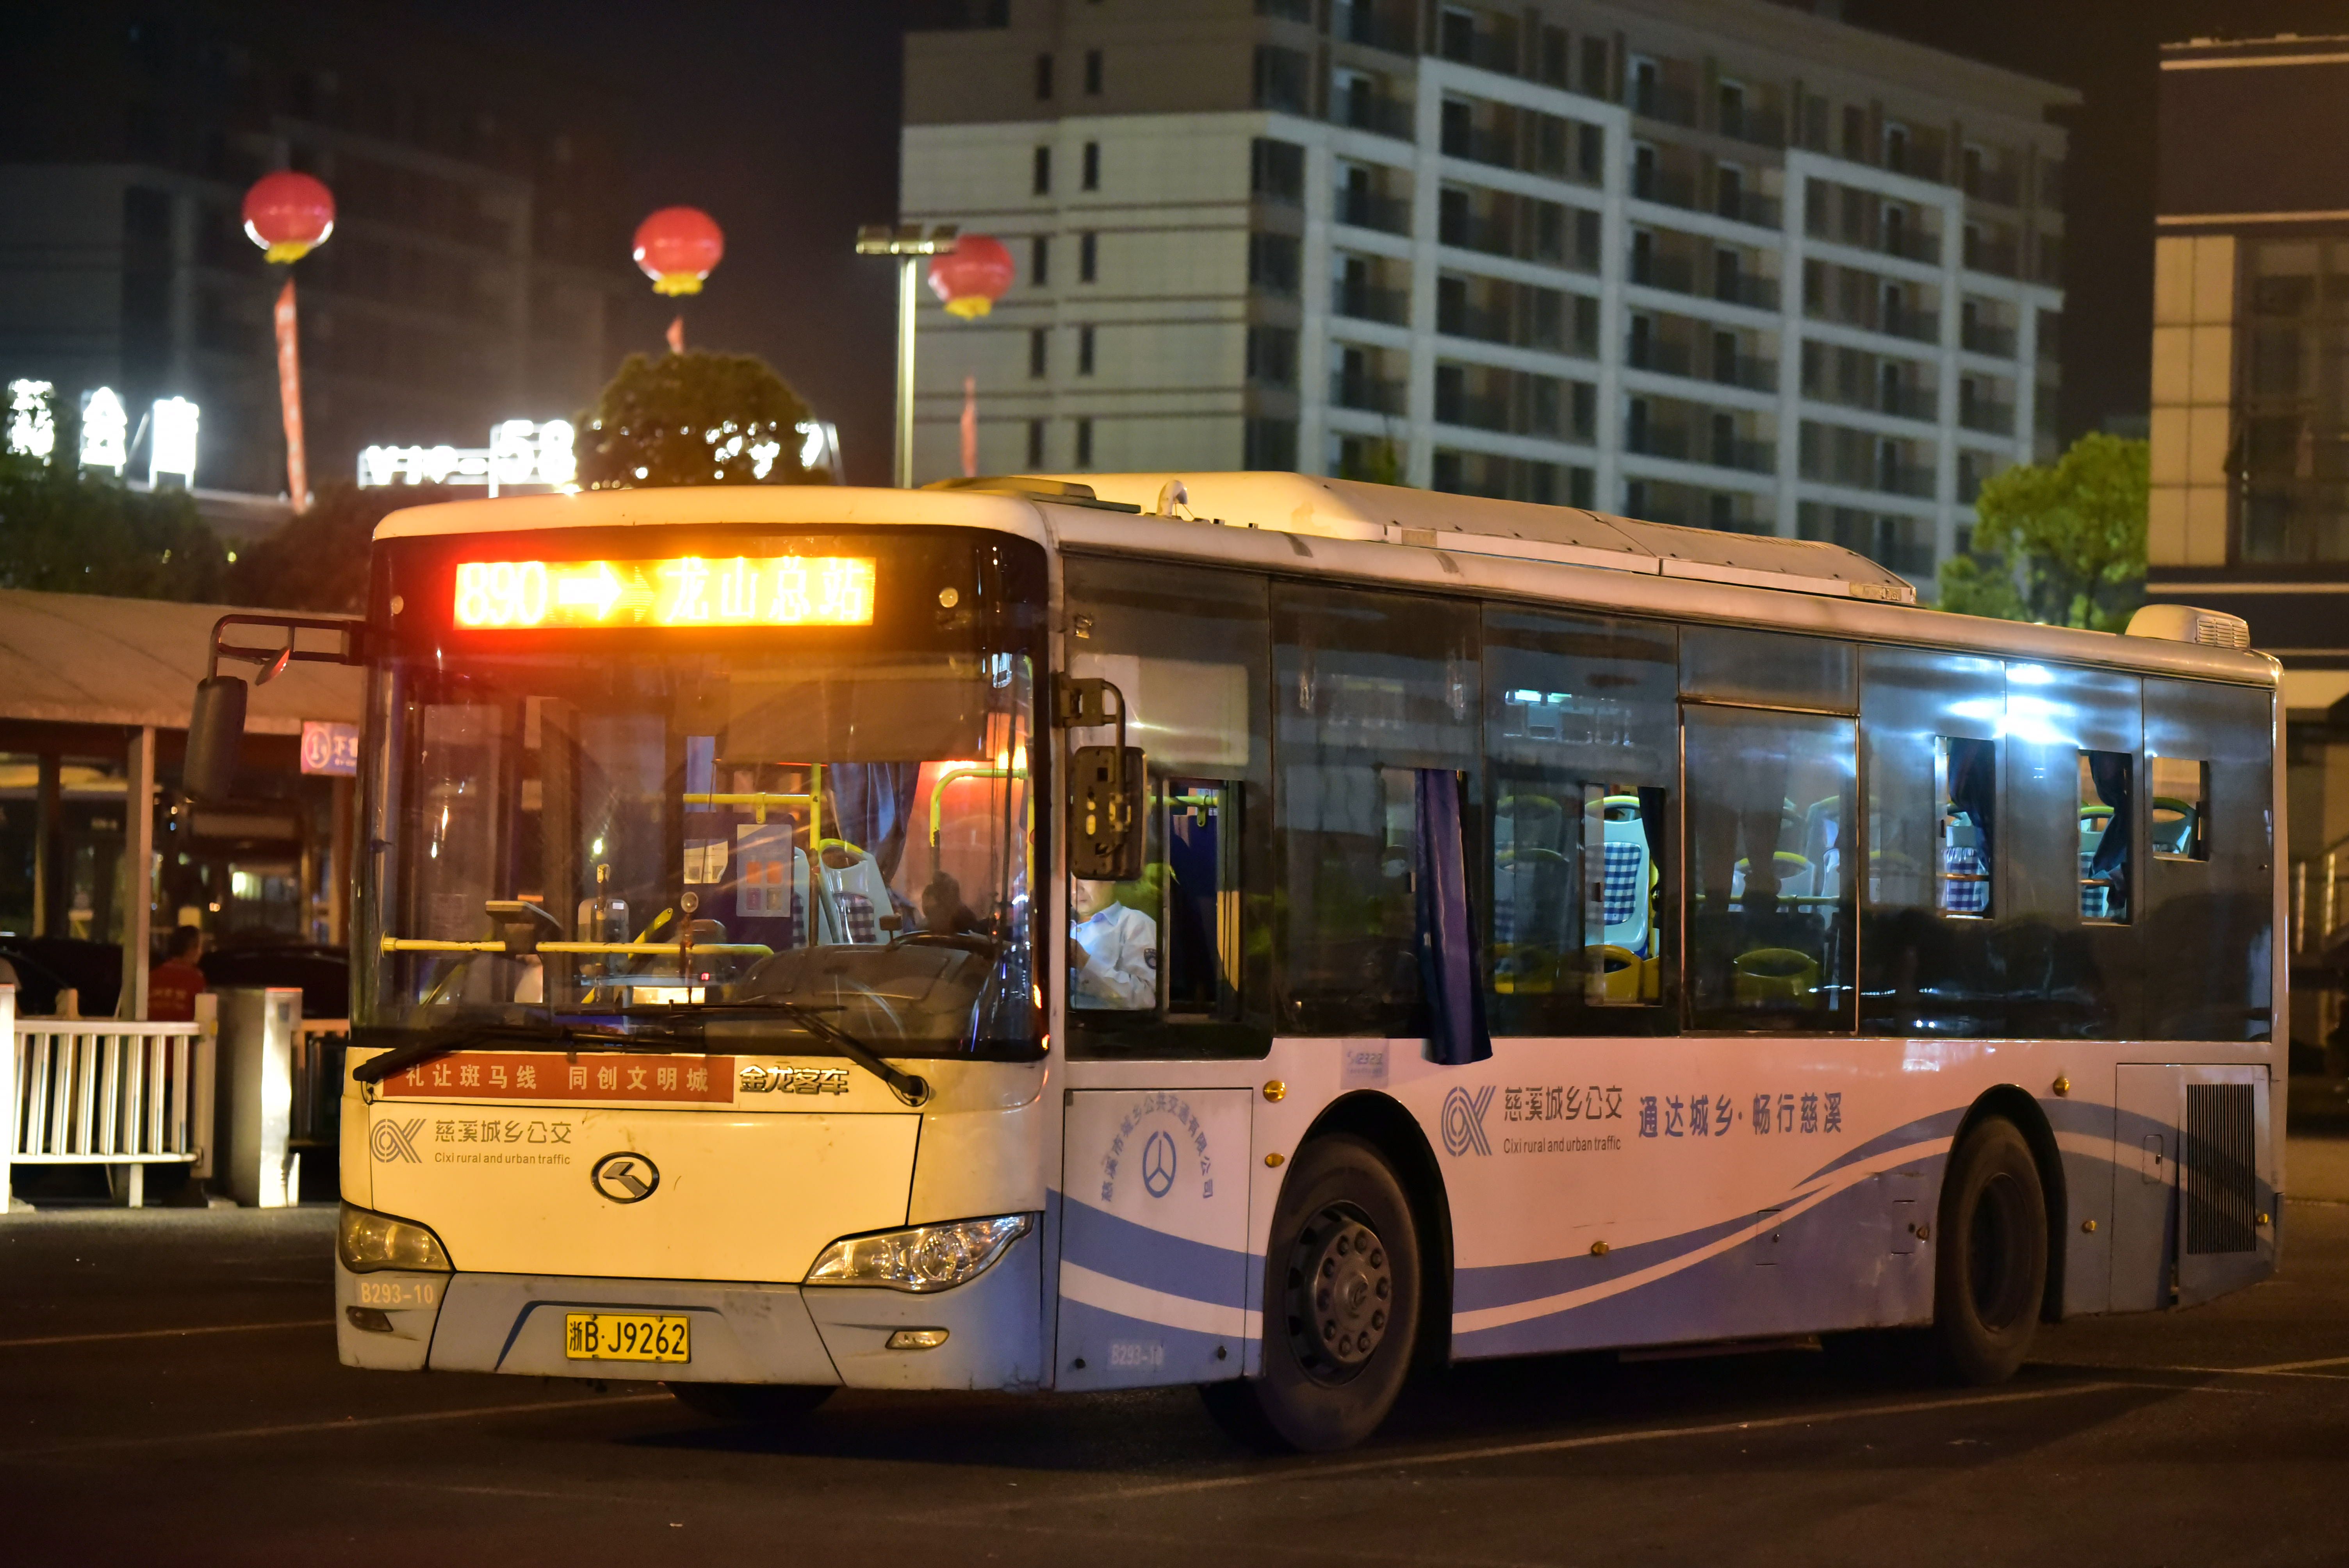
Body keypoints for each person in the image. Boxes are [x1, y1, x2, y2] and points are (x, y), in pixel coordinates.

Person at [1069, 879, 1156, 1010]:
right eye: (1069, 879)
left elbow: (1145, 998)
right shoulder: (1055, 921)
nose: (1075, 889)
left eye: (1084, 876)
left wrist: (1085, 963)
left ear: (1110, 877)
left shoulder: (1136, 924)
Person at [148, 926, 208, 1023]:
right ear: (192, 949)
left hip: (152, 1037)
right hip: (181, 1037)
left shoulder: (153, 976)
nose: (201, 952)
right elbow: (204, 1017)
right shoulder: (196, 978)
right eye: (200, 947)